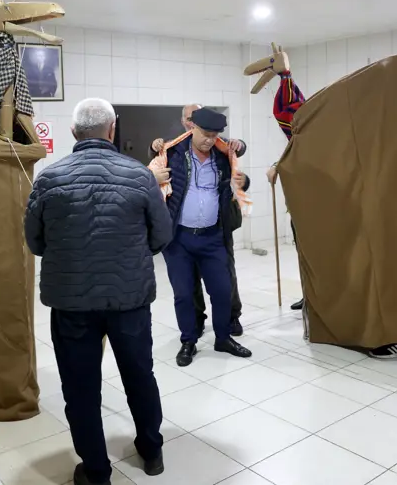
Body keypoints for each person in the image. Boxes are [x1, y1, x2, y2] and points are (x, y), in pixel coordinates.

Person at [25, 98, 173, 485]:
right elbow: (162, 234)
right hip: (129, 300)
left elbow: (35, 241)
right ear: (113, 129)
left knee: (80, 386)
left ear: (74, 133)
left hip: (72, 303)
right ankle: (152, 450)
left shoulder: (48, 178)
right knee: (140, 374)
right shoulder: (140, 176)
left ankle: (95, 470)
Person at [267, 72, 397, 359]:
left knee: (369, 276)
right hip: (331, 224)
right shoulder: (328, 137)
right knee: (342, 273)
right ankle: (342, 323)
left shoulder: (358, 135)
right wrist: (281, 167)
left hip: (361, 223)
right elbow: (293, 123)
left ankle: (382, 332)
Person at [159, 107, 253, 366]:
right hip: (179, 239)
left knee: (222, 291)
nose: (209, 140)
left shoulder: (223, 158)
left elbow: (239, 178)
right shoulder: (174, 154)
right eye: (204, 134)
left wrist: (243, 182)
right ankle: (188, 341)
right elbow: (152, 164)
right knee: (184, 294)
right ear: (192, 129)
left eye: (214, 135)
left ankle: (223, 338)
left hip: (213, 237)